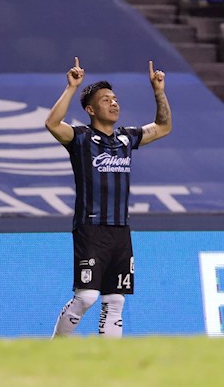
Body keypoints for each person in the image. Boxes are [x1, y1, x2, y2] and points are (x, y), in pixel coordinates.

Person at [45, 57, 172, 338]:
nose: (114, 103)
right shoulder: (80, 138)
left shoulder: (127, 139)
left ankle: (108, 367)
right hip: (91, 228)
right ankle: (53, 349)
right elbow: (52, 123)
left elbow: (163, 127)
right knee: (86, 297)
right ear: (91, 110)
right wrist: (71, 87)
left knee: (115, 302)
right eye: (105, 100)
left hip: (121, 231)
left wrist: (158, 91)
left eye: (115, 99)